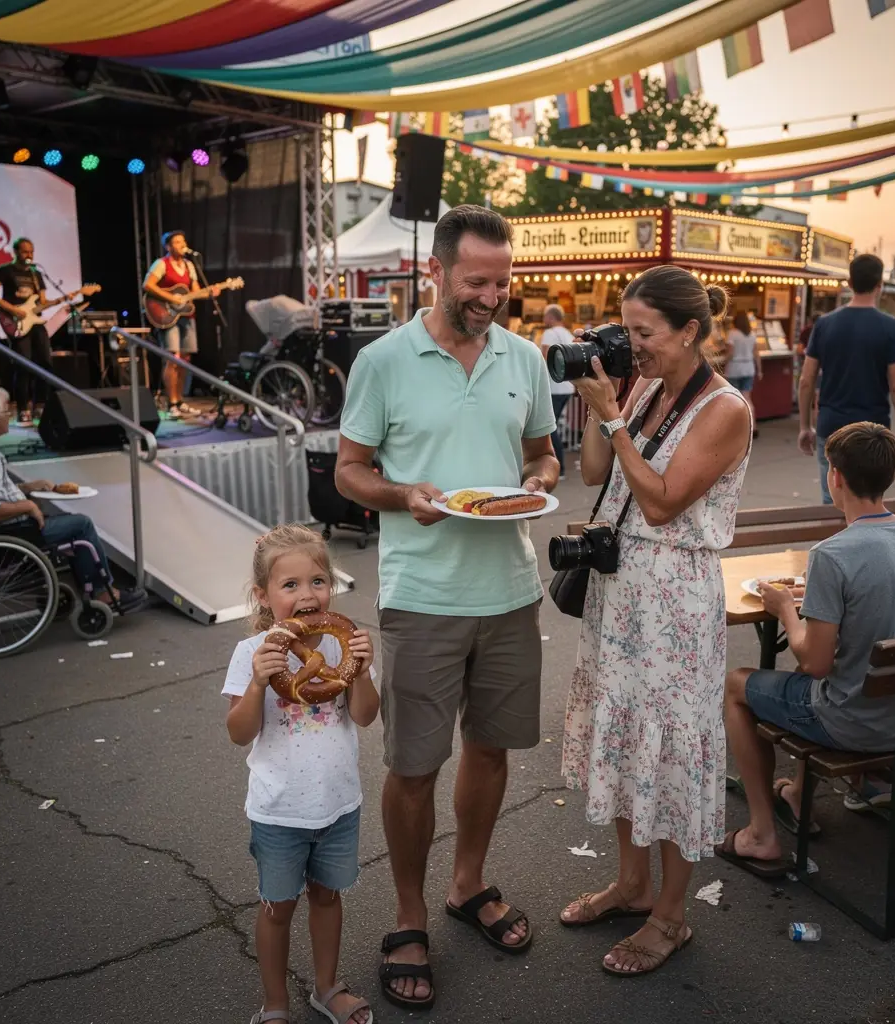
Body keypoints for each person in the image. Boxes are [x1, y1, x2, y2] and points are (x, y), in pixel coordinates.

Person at [335, 205, 558, 1010]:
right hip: (423, 595)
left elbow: (541, 451)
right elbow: (349, 470)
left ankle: (467, 884)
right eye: (476, 282)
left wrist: (539, 482)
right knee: (412, 766)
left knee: (492, 750)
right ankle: (406, 915)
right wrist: (404, 495)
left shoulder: (524, 358)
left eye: (502, 281)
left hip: (508, 589)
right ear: (434, 270)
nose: (492, 296)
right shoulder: (384, 359)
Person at [558, 267, 752, 975]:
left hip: (673, 597)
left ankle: (670, 919)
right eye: (626, 328)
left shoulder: (724, 409)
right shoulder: (641, 388)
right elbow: (591, 474)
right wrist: (597, 407)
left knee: (668, 752)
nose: (630, 345)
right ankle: (631, 884)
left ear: (691, 332)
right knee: (625, 737)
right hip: (620, 593)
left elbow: (665, 500)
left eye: (644, 333)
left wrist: (613, 415)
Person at [721, 423, 895, 873]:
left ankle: (761, 834)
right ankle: (794, 795)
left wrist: (787, 609)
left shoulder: (832, 554)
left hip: (855, 724)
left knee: (736, 685)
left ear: (835, 477)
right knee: (823, 681)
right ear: (888, 477)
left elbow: (814, 663)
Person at [223, 524, 379, 1024]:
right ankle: (274, 1004)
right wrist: (257, 685)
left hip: (338, 804)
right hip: (279, 810)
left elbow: (365, 715)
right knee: (277, 907)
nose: (307, 594)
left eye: (318, 580)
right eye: (290, 585)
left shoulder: (342, 647)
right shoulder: (252, 655)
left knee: (328, 898)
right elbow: (238, 733)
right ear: (264, 597)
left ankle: (327, 987)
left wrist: (361, 667)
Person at [0, 385, 147, 611]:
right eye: (7, 412)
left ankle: (88, 586)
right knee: (81, 525)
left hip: (13, 528)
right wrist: (27, 505)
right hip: (15, 532)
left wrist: (27, 487)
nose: (10, 416)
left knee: (67, 521)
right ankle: (103, 592)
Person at [798, 254, 895, 504]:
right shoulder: (892, 328)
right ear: (879, 285)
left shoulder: (824, 325)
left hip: (831, 426)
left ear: (849, 282)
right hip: (874, 431)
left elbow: (806, 380)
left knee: (832, 501)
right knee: (870, 502)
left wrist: (804, 426)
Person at [142, 230, 218, 420]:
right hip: (167, 314)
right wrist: (171, 298)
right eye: (177, 242)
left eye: (183, 241)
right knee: (172, 358)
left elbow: (195, 292)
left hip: (186, 315)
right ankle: (172, 402)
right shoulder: (161, 264)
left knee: (185, 359)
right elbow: (148, 285)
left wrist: (210, 292)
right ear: (168, 246)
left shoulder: (190, 265)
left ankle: (181, 400)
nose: (181, 245)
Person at [0, 238, 52, 425]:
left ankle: (40, 405)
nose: (29, 255)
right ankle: (23, 409)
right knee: (23, 363)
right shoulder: (5, 271)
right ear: (16, 252)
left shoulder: (36, 274)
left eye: (32, 252)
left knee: (45, 361)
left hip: (34, 322)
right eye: (26, 252)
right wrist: (11, 309)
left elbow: (42, 299)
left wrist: (62, 299)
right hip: (16, 321)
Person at [540, 303, 575, 479]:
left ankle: (557, 468)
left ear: (551, 317)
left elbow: (543, 357)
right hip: (567, 386)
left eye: (545, 316)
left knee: (549, 428)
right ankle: (557, 467)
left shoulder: (549, 333)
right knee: (553, 427)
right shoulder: (568, 334)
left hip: (553, 387)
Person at [723, 310, 762, 434]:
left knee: (734, 399)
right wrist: (760, 370)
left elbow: (730, 353)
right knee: (747, 398)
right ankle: (753, 427)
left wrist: (723, 364)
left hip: (735, 368)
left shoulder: (732, 334)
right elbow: (756, 354)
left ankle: (734, 429)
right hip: (749, 368)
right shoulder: (752, 334)